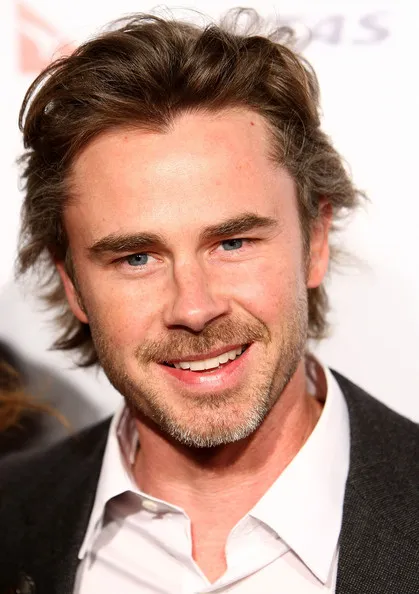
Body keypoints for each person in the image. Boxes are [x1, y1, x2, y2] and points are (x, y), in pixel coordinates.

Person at [0, 8, 418, 594]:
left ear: (316, 241)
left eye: (232, 243)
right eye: (136, 258)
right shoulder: (11, 518)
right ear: (72, 283)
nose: (194, 309)